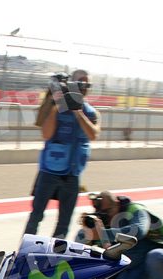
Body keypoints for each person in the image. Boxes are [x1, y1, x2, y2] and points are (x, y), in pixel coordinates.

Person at [24, 69, 100, 239]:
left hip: (72, 176)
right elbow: (46, 134)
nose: (84, 87)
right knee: (36, 216)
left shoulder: (90, 112)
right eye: (80, 83)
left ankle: (54, 258)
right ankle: (25, 253)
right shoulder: (57, 107)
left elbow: (93, 134)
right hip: (49, 173)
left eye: (87, 84)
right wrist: (56, 104)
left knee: (64, 222)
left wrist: (78, 112)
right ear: (71, 84)